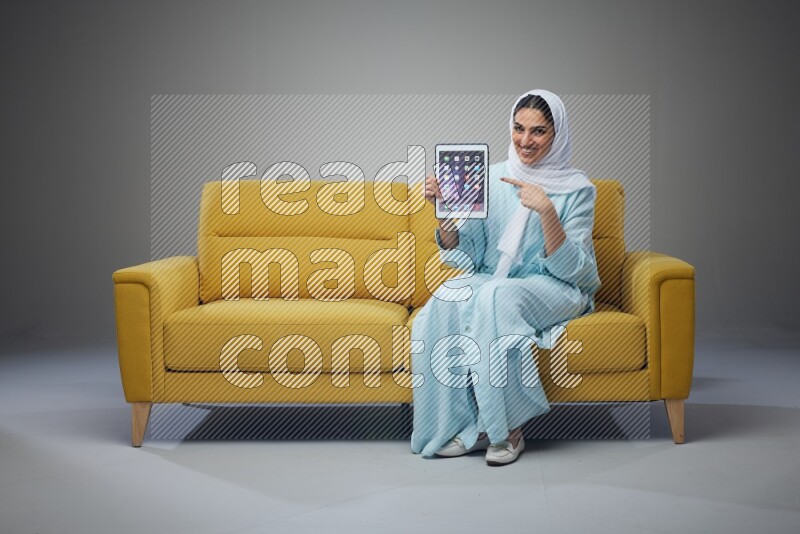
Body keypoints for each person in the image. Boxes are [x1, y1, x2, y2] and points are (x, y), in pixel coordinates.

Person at [409, 89, 601, 466]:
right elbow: (469, 256)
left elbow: (576, 268)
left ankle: (505, 428)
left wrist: (547, 211)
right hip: (494, 278)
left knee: (495, 298)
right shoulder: (494, 176)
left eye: (539, 132)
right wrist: (444, 213)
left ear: (557, 134)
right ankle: (460, 425)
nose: (525, 141)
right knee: (449, 296)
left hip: (554, 286)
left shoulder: (578, 189)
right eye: (519, 128)